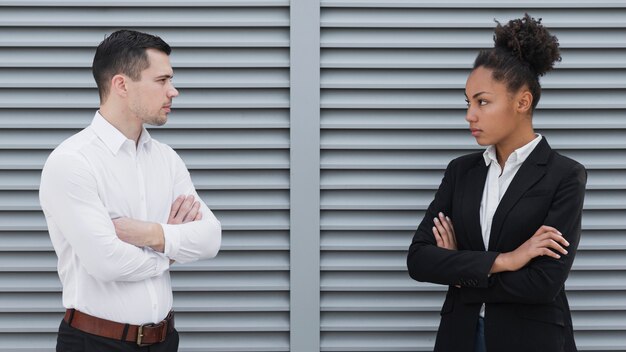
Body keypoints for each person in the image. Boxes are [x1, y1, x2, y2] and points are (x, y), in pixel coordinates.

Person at [406, 14, 587, 352]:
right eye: (468, 101)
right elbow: (419, 259)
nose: (469, 115)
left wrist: (459, 271)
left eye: (483, 101)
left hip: (531, 340)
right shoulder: (461, 171)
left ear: (522, 102)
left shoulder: (564, 175)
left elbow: (542, 283)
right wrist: (506, 260)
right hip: (460, 336)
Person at [39, 29, 221, 351]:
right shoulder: (72, 162)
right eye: (161, 81)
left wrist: (149, 234)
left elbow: (210, 238)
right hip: (96, 343)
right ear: (122, 85)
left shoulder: (167, 159)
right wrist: (172, 249)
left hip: (165, 340)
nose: (173, 91)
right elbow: (106, 262)